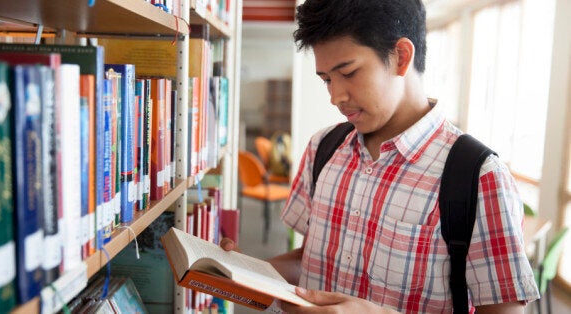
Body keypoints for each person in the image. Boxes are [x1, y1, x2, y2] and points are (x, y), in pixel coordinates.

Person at [222, 0, 539, 313]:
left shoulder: (480, 178)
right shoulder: (323, 148)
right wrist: (244, 273)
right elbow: (310, 260)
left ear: (401, 57)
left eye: (348, 73)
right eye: (327, 79)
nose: (335, 97)